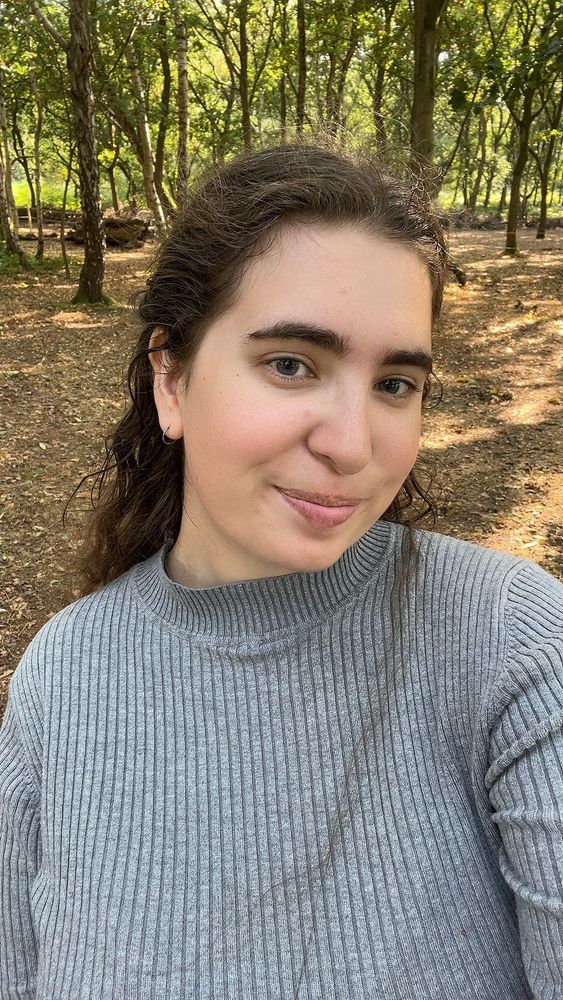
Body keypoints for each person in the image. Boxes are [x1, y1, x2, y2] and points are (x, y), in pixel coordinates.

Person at [1, 140, 562, 1000]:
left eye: (394, 383)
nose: (351, 445)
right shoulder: (60, 681)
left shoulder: (510, 642)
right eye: (292, 365)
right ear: (172, 380)